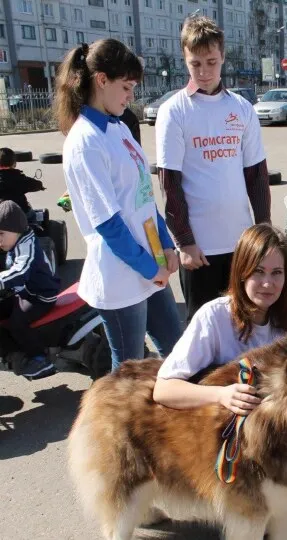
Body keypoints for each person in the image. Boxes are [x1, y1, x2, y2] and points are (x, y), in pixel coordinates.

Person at [56, 39, 182, 370]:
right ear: (101, 80)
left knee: (179, 352)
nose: (131, 96)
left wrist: (167, 246)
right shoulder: (85, 142)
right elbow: (109, 224)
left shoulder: (119, 127)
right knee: (128, 373)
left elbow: (144, 198)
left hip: (148, 266)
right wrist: (149, 267)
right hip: (121, 276)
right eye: (126, 87)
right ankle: (119, 425)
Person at [156, 15, 270, 324]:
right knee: (203, 333)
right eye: (195, 64)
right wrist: (185, 242)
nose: (204, 72)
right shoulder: (174, 111)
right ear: (184, 58)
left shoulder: (242, 109)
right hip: (200, 250)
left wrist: (264, 232)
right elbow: (170, 184)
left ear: (222, 57)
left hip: (242, 244)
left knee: (245, 327)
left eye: (211, 62)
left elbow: (256, 176)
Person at [153, 224, 287, 413]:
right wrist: (221, 395)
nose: (267, 283)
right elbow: (164, 390)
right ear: (242, 272)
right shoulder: (214, 317)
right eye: (258, 271)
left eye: (277, 272)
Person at [0, 200, 60, 380]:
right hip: (24, 292)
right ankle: (13, 352)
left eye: (1, 234)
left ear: (16, 229)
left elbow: (21, 271)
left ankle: (39, 358)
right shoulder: (14, 241)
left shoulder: (28, 244)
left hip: (40, 296)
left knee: (17, 322)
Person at [0, 148, 46, 214]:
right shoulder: (19, 178)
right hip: (20, 214)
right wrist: (40, 186)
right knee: (33, 215)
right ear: (14, 163)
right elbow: (37, 185)